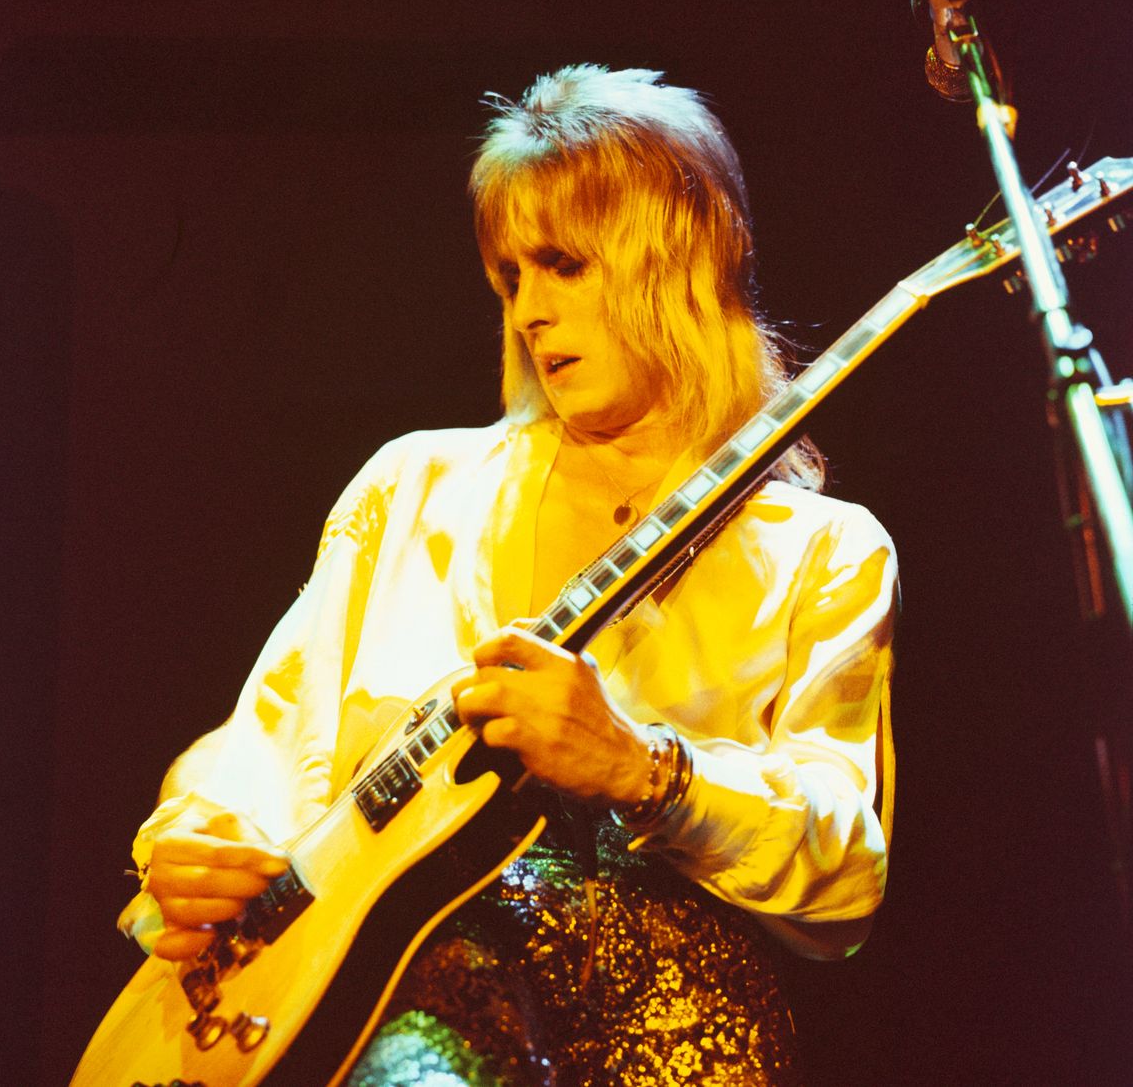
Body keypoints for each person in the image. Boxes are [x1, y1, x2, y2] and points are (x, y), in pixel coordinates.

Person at [117, 64, 898, 1086]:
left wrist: (642, 768)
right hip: (395, 1005)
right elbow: (268, 742)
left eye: (563, 265)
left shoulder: (823, 551)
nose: (529, 310)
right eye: (511, 278)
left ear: (680, 256)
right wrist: (197, 836)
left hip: (675, 1037)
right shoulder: (416, 488)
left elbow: (845, 879)